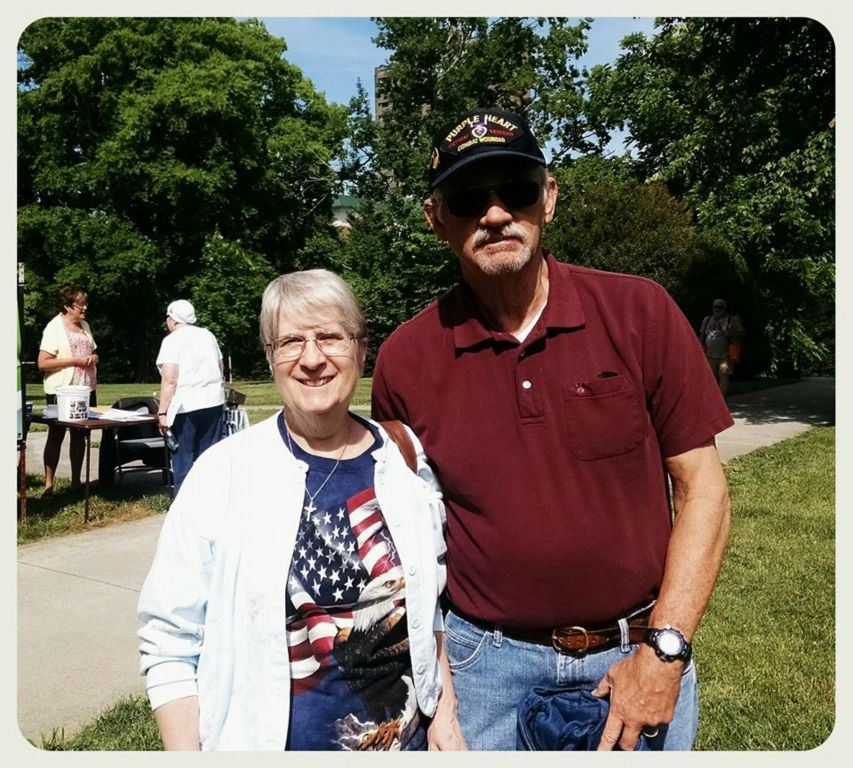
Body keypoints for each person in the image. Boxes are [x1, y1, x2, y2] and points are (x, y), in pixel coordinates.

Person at [371, 108, 734, 751]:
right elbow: (403, 541)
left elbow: (703, 487)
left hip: (633, 655)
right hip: (483, 671)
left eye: (516, 190)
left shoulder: (640, 312)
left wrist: (665, 650)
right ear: (435, 218)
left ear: (549, 198)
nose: (494, 214)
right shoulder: (406, 358)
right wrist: (439, 690)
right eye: (467, 199)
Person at [138, 270, 465, 751]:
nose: (312, 359)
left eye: (330, 337)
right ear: (270, 357)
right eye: (291, 342)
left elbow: (427, 607)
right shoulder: (223, 473)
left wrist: (445, 719)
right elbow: (169, 640)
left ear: (361, 349)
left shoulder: (403, 461)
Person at [155, 299, 225, 495]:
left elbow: (170, 379)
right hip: (213, 401)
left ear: (172, 319)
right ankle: (212, 498)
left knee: (183, 458)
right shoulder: (208, 335)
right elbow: (220, 366)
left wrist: (162, 412)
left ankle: (183, 502)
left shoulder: (171, 341)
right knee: (210, 456)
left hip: (186, 405)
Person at [37, 285, 98, 495]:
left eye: (85, 304)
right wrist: (74, 361)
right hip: (61, 391)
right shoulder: (54, 328)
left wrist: (93, 358)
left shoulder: (85, 326)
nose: (85, 308)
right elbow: (43, 363)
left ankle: (76, 482)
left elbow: (93, 350)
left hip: (84, 389)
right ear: (67, 306)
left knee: (79, 435)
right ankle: (48, 484)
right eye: (80, 305)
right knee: (56, 435)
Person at [698, 299, 744, 397]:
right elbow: (702, 336)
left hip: (725, 357)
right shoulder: (707, 320)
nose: (717, 309)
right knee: (710, 379)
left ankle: (721, 400)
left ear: (724, 308)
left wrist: (732, 331)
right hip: (709, 356)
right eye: (715, 307)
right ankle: (712, 399)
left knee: (724, 378)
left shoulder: (730, 320)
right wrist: (699, 350)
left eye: (720, 307)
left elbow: (740, 334)